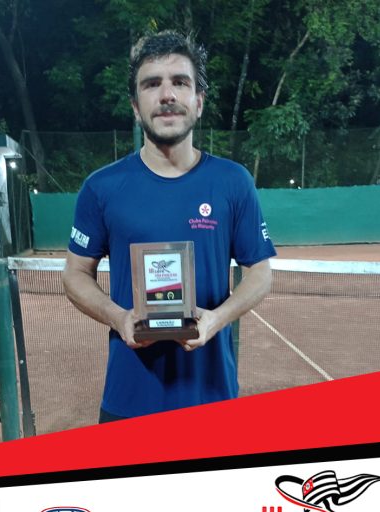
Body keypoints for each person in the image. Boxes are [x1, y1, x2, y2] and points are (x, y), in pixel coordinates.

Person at [62, 30, 276, 423]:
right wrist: (118, 318)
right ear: (135, 105)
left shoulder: (233, 182)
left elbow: (260, 273)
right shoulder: (101, 187)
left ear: (199, 101)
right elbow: (75, 274)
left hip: (211, 395)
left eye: (180, 82)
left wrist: (215, 320)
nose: (167, 95)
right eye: (151, 84)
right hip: (128, 400)